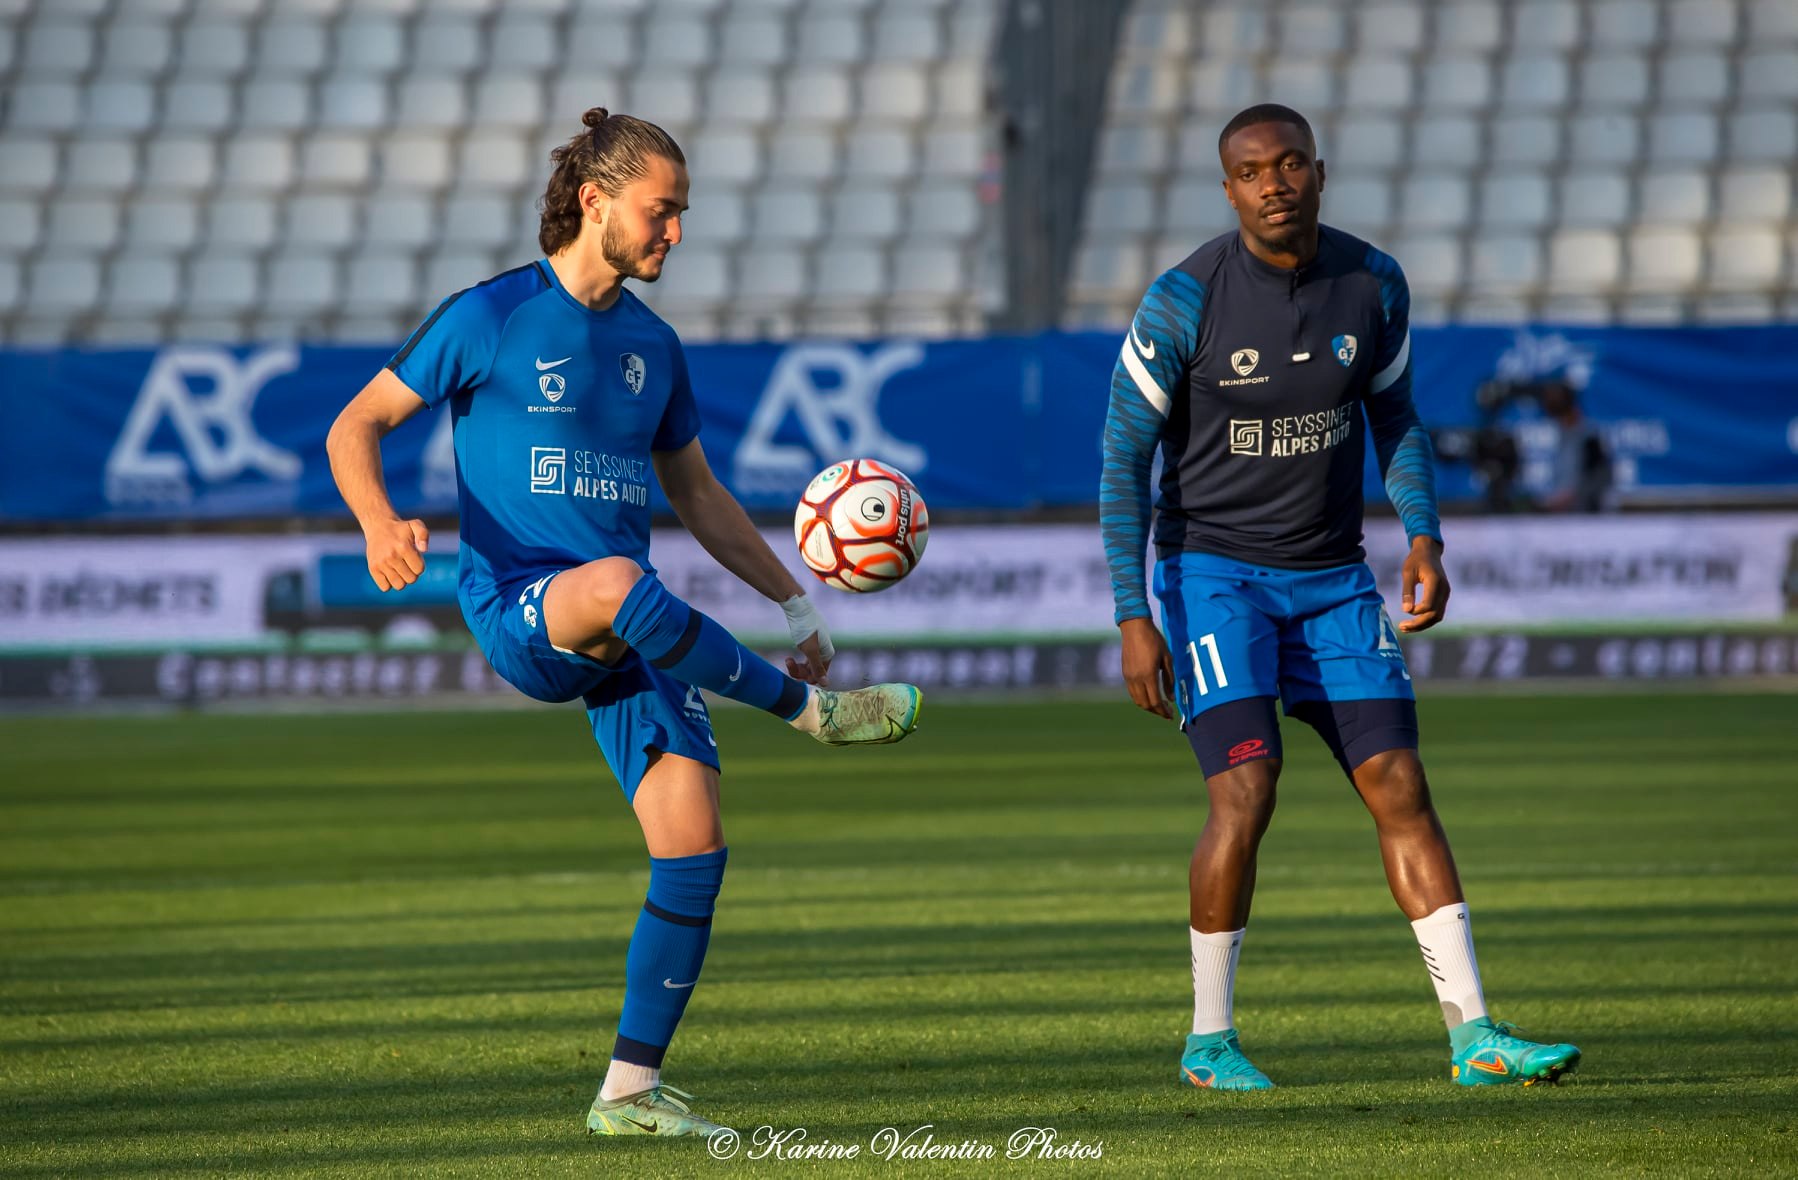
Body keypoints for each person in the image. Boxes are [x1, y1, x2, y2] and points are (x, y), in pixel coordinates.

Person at [326, 108, 923, 1138]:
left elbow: (697, 496)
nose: (674, 234)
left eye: (682, 213)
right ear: (594, 201)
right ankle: (812, 716)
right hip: (523, 607)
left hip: (629, 624)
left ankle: (630, 1092)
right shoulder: (490, 315)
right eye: (662, 211)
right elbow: (356, 422)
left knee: (693, 846)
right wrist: (380, 520)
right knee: (610, 579)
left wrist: (793, 601)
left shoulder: (655, 344)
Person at [1099, 104, 1579, 1090]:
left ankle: (1474, 1036)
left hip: (1332, 581)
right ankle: (1208, 1041)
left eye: (1287, 165)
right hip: (1212, 578)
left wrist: (1424, 533)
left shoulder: (1373, 284)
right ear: (1226, 188)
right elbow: (1120, 462)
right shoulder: (1182, 301)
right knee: (1246, 787)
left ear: (1318, 171)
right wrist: (1131, 612)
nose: (1271, 184)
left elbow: (1396, 419)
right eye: (1248, 172)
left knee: (1399, 785)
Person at [1537, 380, 1612, 513]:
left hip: (1585, 516)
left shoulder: (1589, 438)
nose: (1548, 403)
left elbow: (1602, 477)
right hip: (1560, 516)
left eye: (1554, 399)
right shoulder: (1559, 434)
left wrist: (1574, 496)